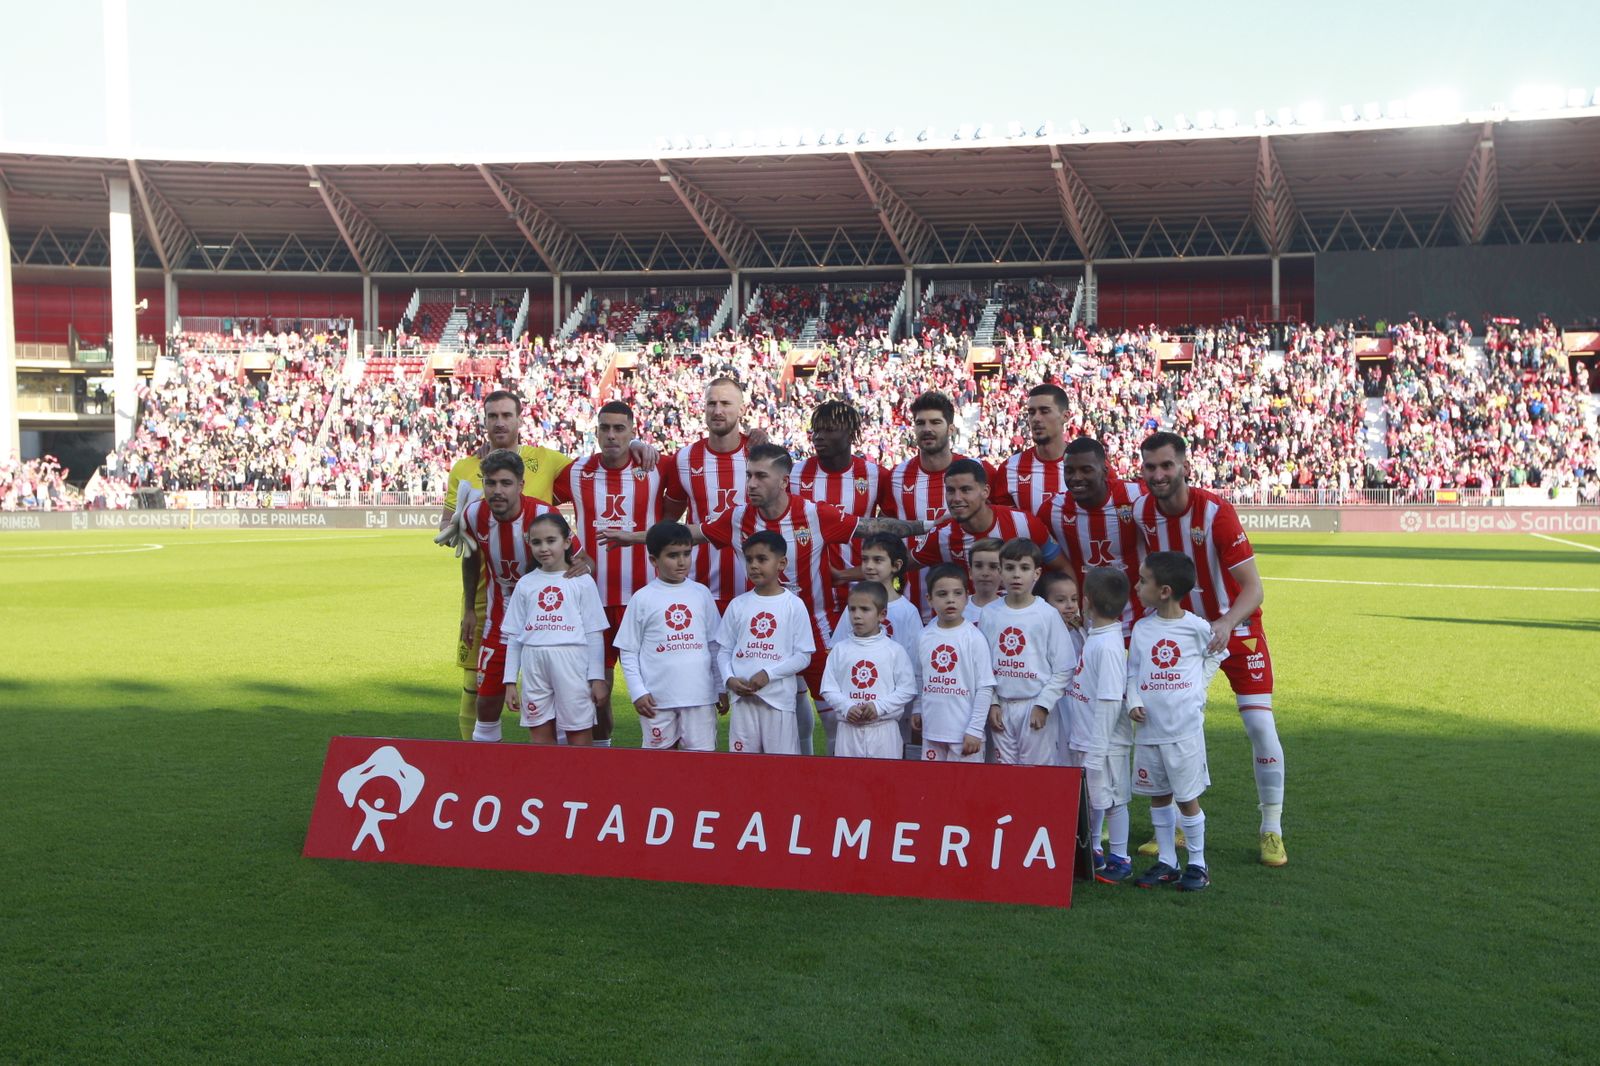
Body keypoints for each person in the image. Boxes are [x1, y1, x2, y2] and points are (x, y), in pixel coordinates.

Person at [1137, 431, 1288, 868]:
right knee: (1171, 725)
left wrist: (1225, 622)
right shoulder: (1142, 511)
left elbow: (1254, 589)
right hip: (1181, 636)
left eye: (1167, 465)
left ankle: (1271, 827)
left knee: (1260, 727)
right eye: (1150, 467)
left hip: (1234, 629)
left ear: (1184, 465)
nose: (1159, 474)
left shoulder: (1215, 512)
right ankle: (1179, 828)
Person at [552, 400, 668, 748]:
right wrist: (571, 549)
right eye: (606, 428)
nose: (612, 435)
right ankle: (602, 756)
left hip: (644, 600)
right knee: (595, 690)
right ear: (596, 431)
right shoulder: (576, 471)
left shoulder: (658, 467)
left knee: (657, 685)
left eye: (621, 428)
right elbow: (539, 503)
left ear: (634, 431)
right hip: (593, 601)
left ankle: (663, 754)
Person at [458, 450, 583, 739]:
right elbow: (470, 557)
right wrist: (468, 609)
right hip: (499, 623)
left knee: (557, 708)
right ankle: (486, 773)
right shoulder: (473, 514)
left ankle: (557, 773)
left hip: (548, 626)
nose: (497, 491)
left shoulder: (543, 516)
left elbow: (580, 559)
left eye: (505, 483)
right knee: (486, 703)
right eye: (491, 483)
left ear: (521, 485)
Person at [1127, 551, 1227, 892]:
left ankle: (1198, 864)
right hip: (1149, 730)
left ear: (1165, 591)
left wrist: (1199, 689)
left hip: (1182, 730)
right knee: (1157, 795)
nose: (1137, 586)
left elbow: (1218, 654)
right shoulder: (1142, 628)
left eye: (1143, 580)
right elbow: (1133, 672)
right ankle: (1167, 862)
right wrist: (1134, 700)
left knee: (1186, 798)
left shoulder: (1196, 628)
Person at [497, 513, 608, 746]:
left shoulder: (582, 581)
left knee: (579, 735)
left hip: (572, 663)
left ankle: (580, 782)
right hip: (534, 664)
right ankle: (544, 783)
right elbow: (515, 636)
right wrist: (509, 682)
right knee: (539, 738)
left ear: (567, 542)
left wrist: (597, 678)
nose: (544, 548)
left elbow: (594, 634)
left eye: (551, 540)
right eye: (536, 542)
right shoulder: (526, 583)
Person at [614, 521, 724, 752]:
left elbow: (714, 645)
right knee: (659, 766)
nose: (682, 561)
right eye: (673, 555)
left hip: (700, 697)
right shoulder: (642, 599)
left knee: (701, 765)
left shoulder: (701, 594)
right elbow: (629, 650)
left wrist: (720, 686)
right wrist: (637, 691)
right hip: (656, 700)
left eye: (686, 553)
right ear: (654, 560)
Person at [884, 391, 992, 618]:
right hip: (914, 604)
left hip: (973, 606)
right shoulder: (897, 476)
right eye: (920, 423)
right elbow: (891, 528)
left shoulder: (981, 470)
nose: (926, 429)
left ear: (951, 429)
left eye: (935, 422)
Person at [1060, 566, 1135, 884]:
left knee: (1114, 799)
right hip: (1089, 737)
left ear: (1086, 600)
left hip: (1104, 743)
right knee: (1094, 797)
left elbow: (1108, 701)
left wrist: (1097, 748)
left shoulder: (1107, 647)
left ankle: (1121, 858)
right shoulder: (1099, 636)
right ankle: (1094, 850)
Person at [714, 531, 815, 755]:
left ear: (782, 563)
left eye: (762, 559)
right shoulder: (738, 605)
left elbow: (803, 656)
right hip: (743, 702)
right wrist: (729, 679)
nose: (754, 566)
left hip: (778, 702)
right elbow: (724, 651)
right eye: (749, 559)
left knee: (780, 771)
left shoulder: (793, 605)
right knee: (743, 770)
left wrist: (768, 674)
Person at [660, 377, 755, 613]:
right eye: (711, 404)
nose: (718, 411)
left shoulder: (760, 455)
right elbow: (668, 519)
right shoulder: (684, 459)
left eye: (726, 403)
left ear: (742, 409)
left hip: (753, 588)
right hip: (699, 590)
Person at [1037, 437, 1147, 636]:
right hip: (1083, 628)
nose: (1076, 477)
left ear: (1104, 471)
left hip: (1138, 625)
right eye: (1069, 471)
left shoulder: (1137, 497)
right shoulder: (1053, 510)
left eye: (1086, 470)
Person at [979, 539, 1075, 766]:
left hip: (1034, 706)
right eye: (1010, 568)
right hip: (1002, 708)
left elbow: (1064, 667)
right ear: (1000, 571)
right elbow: (981, 664)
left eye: (1024, 568)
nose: (1016, 575)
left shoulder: (1047, 614)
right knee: (1005, 774)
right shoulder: (990, 613)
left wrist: (1043, 705)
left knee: (1037, 774)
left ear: (1037, 573)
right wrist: (992, 702)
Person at [828, 533, 922, 759]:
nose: (869, 566)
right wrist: (847, 703)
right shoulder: (854, 607)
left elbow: (916, 664)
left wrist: (908, 706)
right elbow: (837, 652)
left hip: (893, 709)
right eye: (865, 559)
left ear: (896, 565)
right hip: (854, 705)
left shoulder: (908, 612)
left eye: (878, 560)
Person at [911, 459, 1065, 574]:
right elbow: (900, 564)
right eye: (951, 490)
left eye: (965, 490)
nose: (956, 498)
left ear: (985, 492)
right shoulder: (941, 536)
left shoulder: (1024, 523)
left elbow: (1062, 567)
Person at [912, 564, 995, 762]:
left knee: (966, 791)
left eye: (957, 593)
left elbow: (985, 687)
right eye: (942, 594)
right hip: (932, 732)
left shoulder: (974, 638)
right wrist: (917, 708)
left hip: (965, 735)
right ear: (929, 599)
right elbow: (919, 677)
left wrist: (975, 729)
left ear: (967, 596)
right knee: (934, 789)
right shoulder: (923, 636)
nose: (950, 599)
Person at [991, 383, 1071, 513]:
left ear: (1065, 416)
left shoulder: (1091, 465)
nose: (1036, 418)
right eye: (1031, 412)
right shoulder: (1009, 469)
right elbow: (1006, 524)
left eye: (1044, 411)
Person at [962, 537, 1004, 623]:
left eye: (993, 566)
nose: (985, 573)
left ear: (1003, 572)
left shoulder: (1010, 610)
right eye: (978, 566)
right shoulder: (958, 608)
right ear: (970, 572)